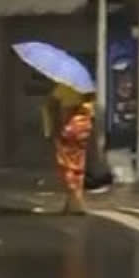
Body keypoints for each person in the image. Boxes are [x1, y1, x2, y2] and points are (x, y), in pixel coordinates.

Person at [43, 83, 96, 214]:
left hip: (70, 129)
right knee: (77, 165)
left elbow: (53, 105)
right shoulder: (88, 89)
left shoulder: (66, 87)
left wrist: (53, 128)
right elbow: (91, 113)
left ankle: (76, 203)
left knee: (67, 165)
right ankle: (71, 203)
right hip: (83, 130)